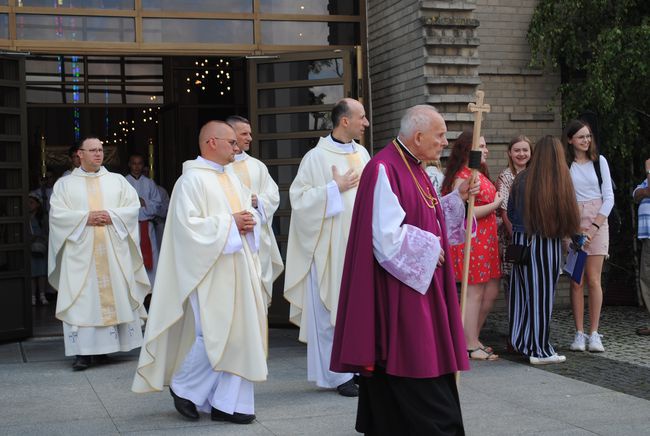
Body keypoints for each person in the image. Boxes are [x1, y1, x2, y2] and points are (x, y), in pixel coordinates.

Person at [331, 105, 473, 435]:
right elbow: (385, 238)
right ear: (418, 135)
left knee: (416, 373)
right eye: (440, 135)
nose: (444, 141)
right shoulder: (384, 167)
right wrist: (429, 248)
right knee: (414, 370)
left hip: (421, 290)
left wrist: (455, 200)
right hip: (401, 298)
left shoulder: (416, 167)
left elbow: (426, 215)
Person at [132, 121, 267, 425]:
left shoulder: (232, 178)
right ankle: (185, 387)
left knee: (242, 335)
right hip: (208, 269)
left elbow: (248, 216)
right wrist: (230, 223)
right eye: (231, 143)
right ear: (211, 143)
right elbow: (186, 229)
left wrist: (249, 219)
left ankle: (227, 404)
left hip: (239, 266)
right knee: (216, 334)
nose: (237, 148)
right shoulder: (190, 181)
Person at [284, 97, 371, 397]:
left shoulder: (362, 153)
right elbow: (299, 200)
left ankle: (357, 366)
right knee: (328, 310)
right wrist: (335, 189)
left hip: (359, 244)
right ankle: (337, 375)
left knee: (357, 309)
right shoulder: (316, 157)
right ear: (344, 121)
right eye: (361, 117)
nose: (366, 123)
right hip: (328, 247)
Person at [48, 137, 150, 371]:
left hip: (113, 251)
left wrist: (112, 215)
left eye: (101, 150)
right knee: (83, 300)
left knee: (114, 294)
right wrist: (85, 218)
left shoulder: (117, 181)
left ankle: (106, 350)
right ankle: (83, 353)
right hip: (81, 253)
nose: (98, 154)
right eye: (92, 150)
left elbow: (132, 208)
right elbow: (57, 216)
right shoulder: (64, 184)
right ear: (79, 155)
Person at [508, 136, 581, 364]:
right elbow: (567, 218)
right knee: (541, 297)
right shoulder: (559, 180)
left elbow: (510, 213)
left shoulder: (521, 178)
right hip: (545, 244)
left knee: (521, 295)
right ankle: (539, 349)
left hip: (520, 242)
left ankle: (522, 341)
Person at [442, 130, 502, 361]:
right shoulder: (462, 177)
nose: (486, 150)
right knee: (474, 292)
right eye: (482, 146)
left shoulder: (478, 173)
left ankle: (472, 337)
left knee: (490, 289)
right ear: (469, 149)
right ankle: (467, 344)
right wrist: (495, 204)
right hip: (473, 239)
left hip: (487, 240)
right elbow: (466, 214)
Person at [564, 119, 614, 352]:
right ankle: (579, 333)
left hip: (597, 221)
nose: (586, 140)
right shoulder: (566, 164)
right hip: (574, 222)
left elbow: (609, 197)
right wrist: (572, 229)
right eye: (581, 136)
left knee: (594, 279)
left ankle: (594, 333)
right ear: (570, 140)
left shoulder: (599, 162)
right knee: (576, 280)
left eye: (588, 136)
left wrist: (594, 227)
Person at [227, 115, 283, 305]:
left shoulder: (257, 166)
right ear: (230, 134)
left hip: (258, 239)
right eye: (244, 133)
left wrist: (258, 200)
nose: (250, 138)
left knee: (257, 296)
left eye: (250, 133)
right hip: (232, 238)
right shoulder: (220, 167)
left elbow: (273, 195)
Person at [496, 136, 532, 283]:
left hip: (535, 237)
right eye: (517, 150)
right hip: (514, 238)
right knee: (515, 282)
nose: (521, 154)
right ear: (509, 153)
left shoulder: (537, 175)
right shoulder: (505, 177)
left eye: (525, 150)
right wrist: (518, 239)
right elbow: (505, 212)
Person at [125, 153, 163, 287]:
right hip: (130, 228)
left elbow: (157, 205)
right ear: (129, 164)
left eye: (139, 163)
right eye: (134, 163)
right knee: (132, 257)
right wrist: (134, 204)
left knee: (151, 257)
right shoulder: (123, 182)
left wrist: (144, 202)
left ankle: (151, 289)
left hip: (147, 228)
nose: (136, 166)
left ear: (143, 165)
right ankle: (134, 288)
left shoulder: (149, 183)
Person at [632, 159, 650, 335]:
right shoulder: (645, 181)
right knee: (646, 278)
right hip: (647, 236)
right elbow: (637, 195)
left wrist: (649, 171)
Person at [28, 192, 49, 306]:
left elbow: (47, 232)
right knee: (32, 273)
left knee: (41, 273)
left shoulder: (43, 217)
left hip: (41, 248)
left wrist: (43, 241)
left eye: (31, 203)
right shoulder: (25, 217)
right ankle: (32, 296)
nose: (29, 205)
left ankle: (42, 295)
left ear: (37, 204)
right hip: (29, 248)